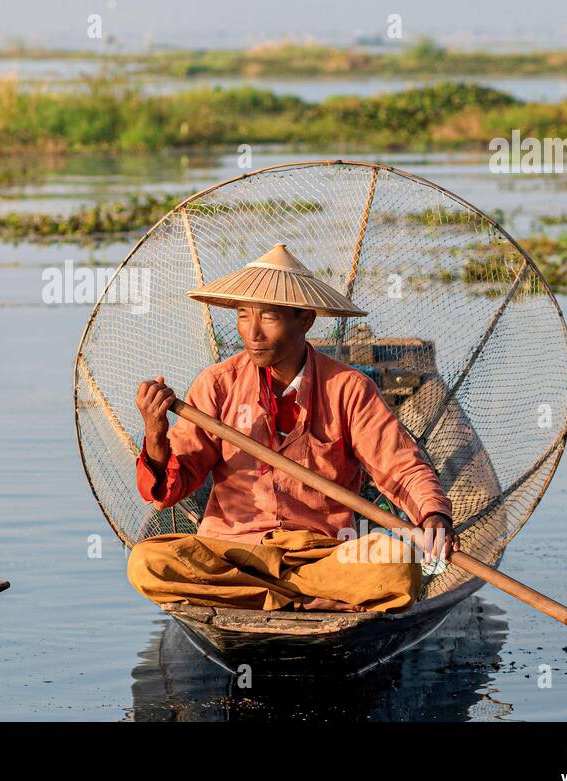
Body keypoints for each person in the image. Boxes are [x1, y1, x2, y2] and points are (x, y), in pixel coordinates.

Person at [128, 243, 456, 613]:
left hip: (320, 556)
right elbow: (169, 491)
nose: (252, 334)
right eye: (242, 316)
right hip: (233, 555)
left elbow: (401, 467)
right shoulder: (217, 384)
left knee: (397, 564)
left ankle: (280, 593)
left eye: (268, 318)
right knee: (147, 563)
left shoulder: (348, 388)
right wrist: (156, 433)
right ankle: (300, 598)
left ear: (306, 320)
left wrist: (433, 516)